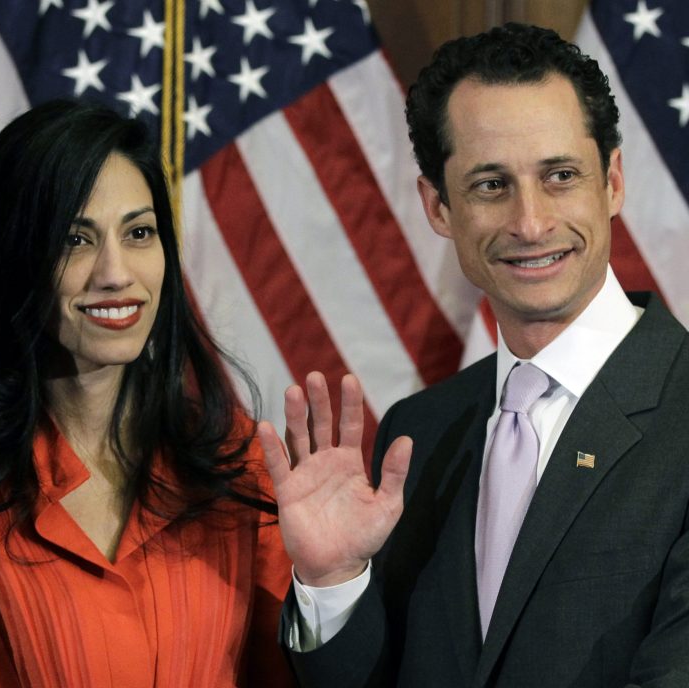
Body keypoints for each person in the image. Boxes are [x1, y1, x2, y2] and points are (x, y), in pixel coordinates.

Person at [258, 22, 689, 687]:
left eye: (561, 176)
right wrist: (333, 579)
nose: (531, 223)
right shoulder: (419, 433)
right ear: (438, 206)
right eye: (491, 185)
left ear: (612, 181)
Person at [0, 99, 295, 687]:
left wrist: (331, 579)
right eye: (75, 239)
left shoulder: (236, 461)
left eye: (139, 232)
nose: (116, 273)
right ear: (10, 257)